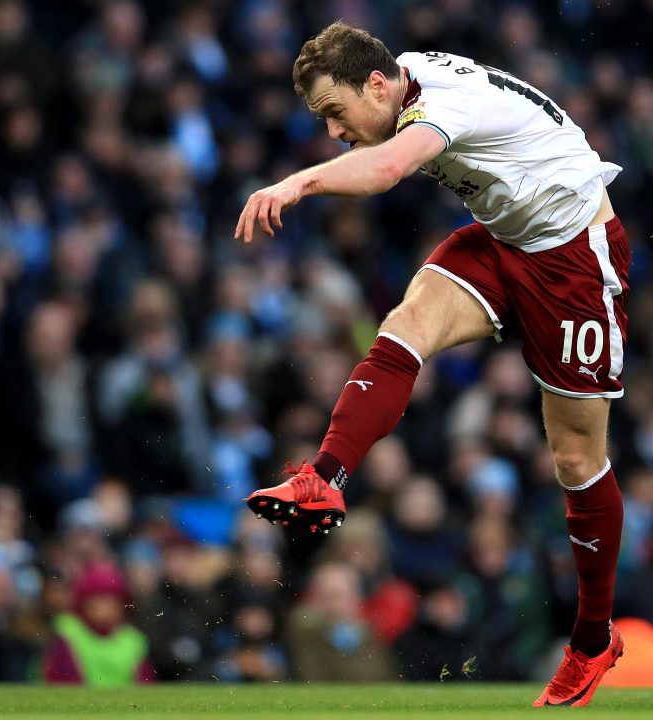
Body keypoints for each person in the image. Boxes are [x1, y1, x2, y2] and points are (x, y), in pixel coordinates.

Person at [238, 22, 628, 707]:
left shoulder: (439, 105)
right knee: (405, 324)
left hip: (573, 259)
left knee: (575, 458)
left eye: (336, 112)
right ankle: (321, 478)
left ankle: (594, 639)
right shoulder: (407, 71)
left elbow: (387, 170)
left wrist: (296, 184)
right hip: (506, 236)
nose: (333, 132)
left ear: (378, 86)